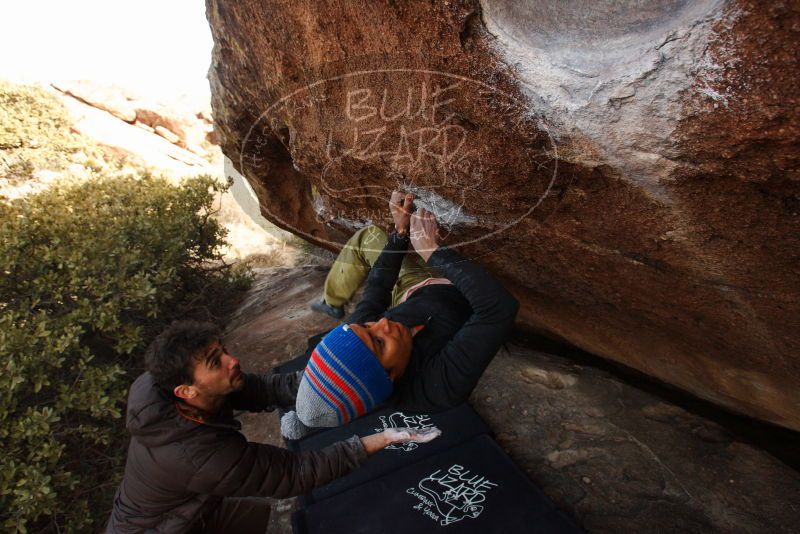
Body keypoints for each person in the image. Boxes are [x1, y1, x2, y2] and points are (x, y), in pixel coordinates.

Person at [106, 320, 440, 534]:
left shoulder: (162, 384)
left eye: (222, 351)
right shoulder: (202, 457)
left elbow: (264, 389)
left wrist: (331, 372)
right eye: (215, 363)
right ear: (187, 392)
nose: (232, 360)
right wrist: (377, 439)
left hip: (173, 504)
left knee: (254, 515)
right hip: (162, 527)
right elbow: (294, 473)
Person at [282, 191, 519, 438]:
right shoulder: (435, 389)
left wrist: (400, 234)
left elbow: (377, 289)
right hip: (462, 296)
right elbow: (498, 309)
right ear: (390, 377)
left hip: (414, 289)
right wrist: (433, 253)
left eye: (368, 327)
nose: (383, 322)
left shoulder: (357, 339)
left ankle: (333, 301)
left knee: (370, 237)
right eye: (379, 342)